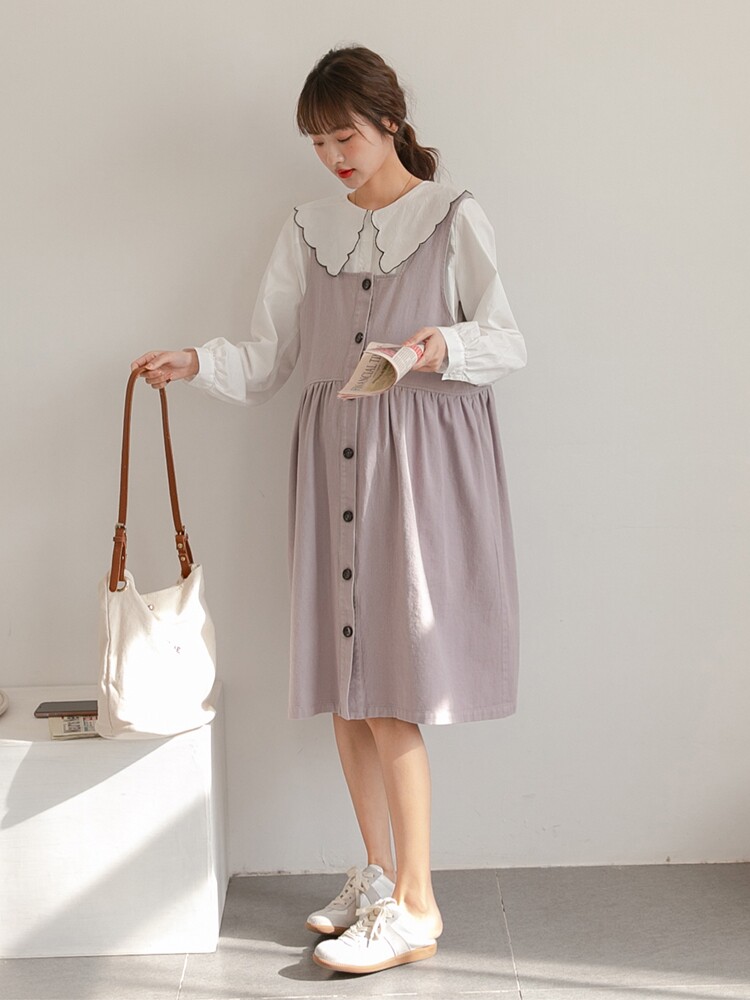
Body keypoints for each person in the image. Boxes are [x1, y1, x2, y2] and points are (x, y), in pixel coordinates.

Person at [132, 44, 526, 976]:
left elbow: (507, 341)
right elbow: (272, 354)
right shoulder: (308, 228)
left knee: (392, 691)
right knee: (349, 692)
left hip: (415, 474)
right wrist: (199, 361)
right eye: (317, 142)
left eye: (344, 136)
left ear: (389, 121)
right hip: (332, 466)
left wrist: (434, 347)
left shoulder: (452, 215)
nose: (332, 156)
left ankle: (418, 907)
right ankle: (380, 879)